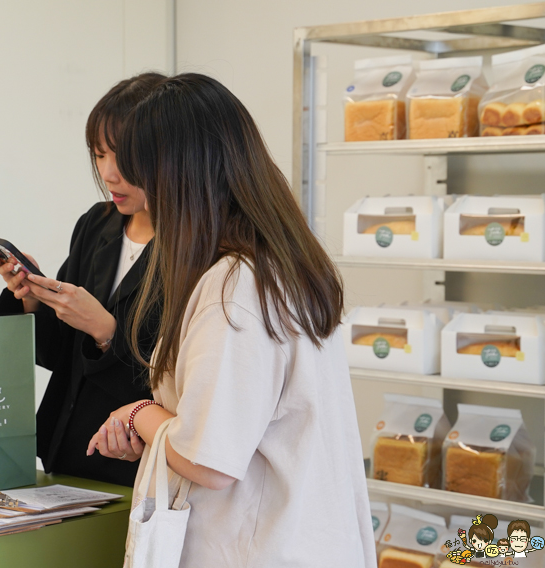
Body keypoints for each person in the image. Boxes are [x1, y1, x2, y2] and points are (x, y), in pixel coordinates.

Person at [86, 74, 375, 566]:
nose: (121, 179)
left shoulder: (235, 287)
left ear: (182, 172)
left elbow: (208, 459)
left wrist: (140, 415)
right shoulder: (276, 265)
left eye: (137, 166)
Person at [0, 72, 165, 487]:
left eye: (123, 157)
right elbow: (60, 354)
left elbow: (177, 389)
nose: (109, 173)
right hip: (65, 452)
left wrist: (106, 331)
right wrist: (32, 298)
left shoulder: (197, 253)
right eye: (99, 155)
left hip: (135, 467)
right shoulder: (98, 224)